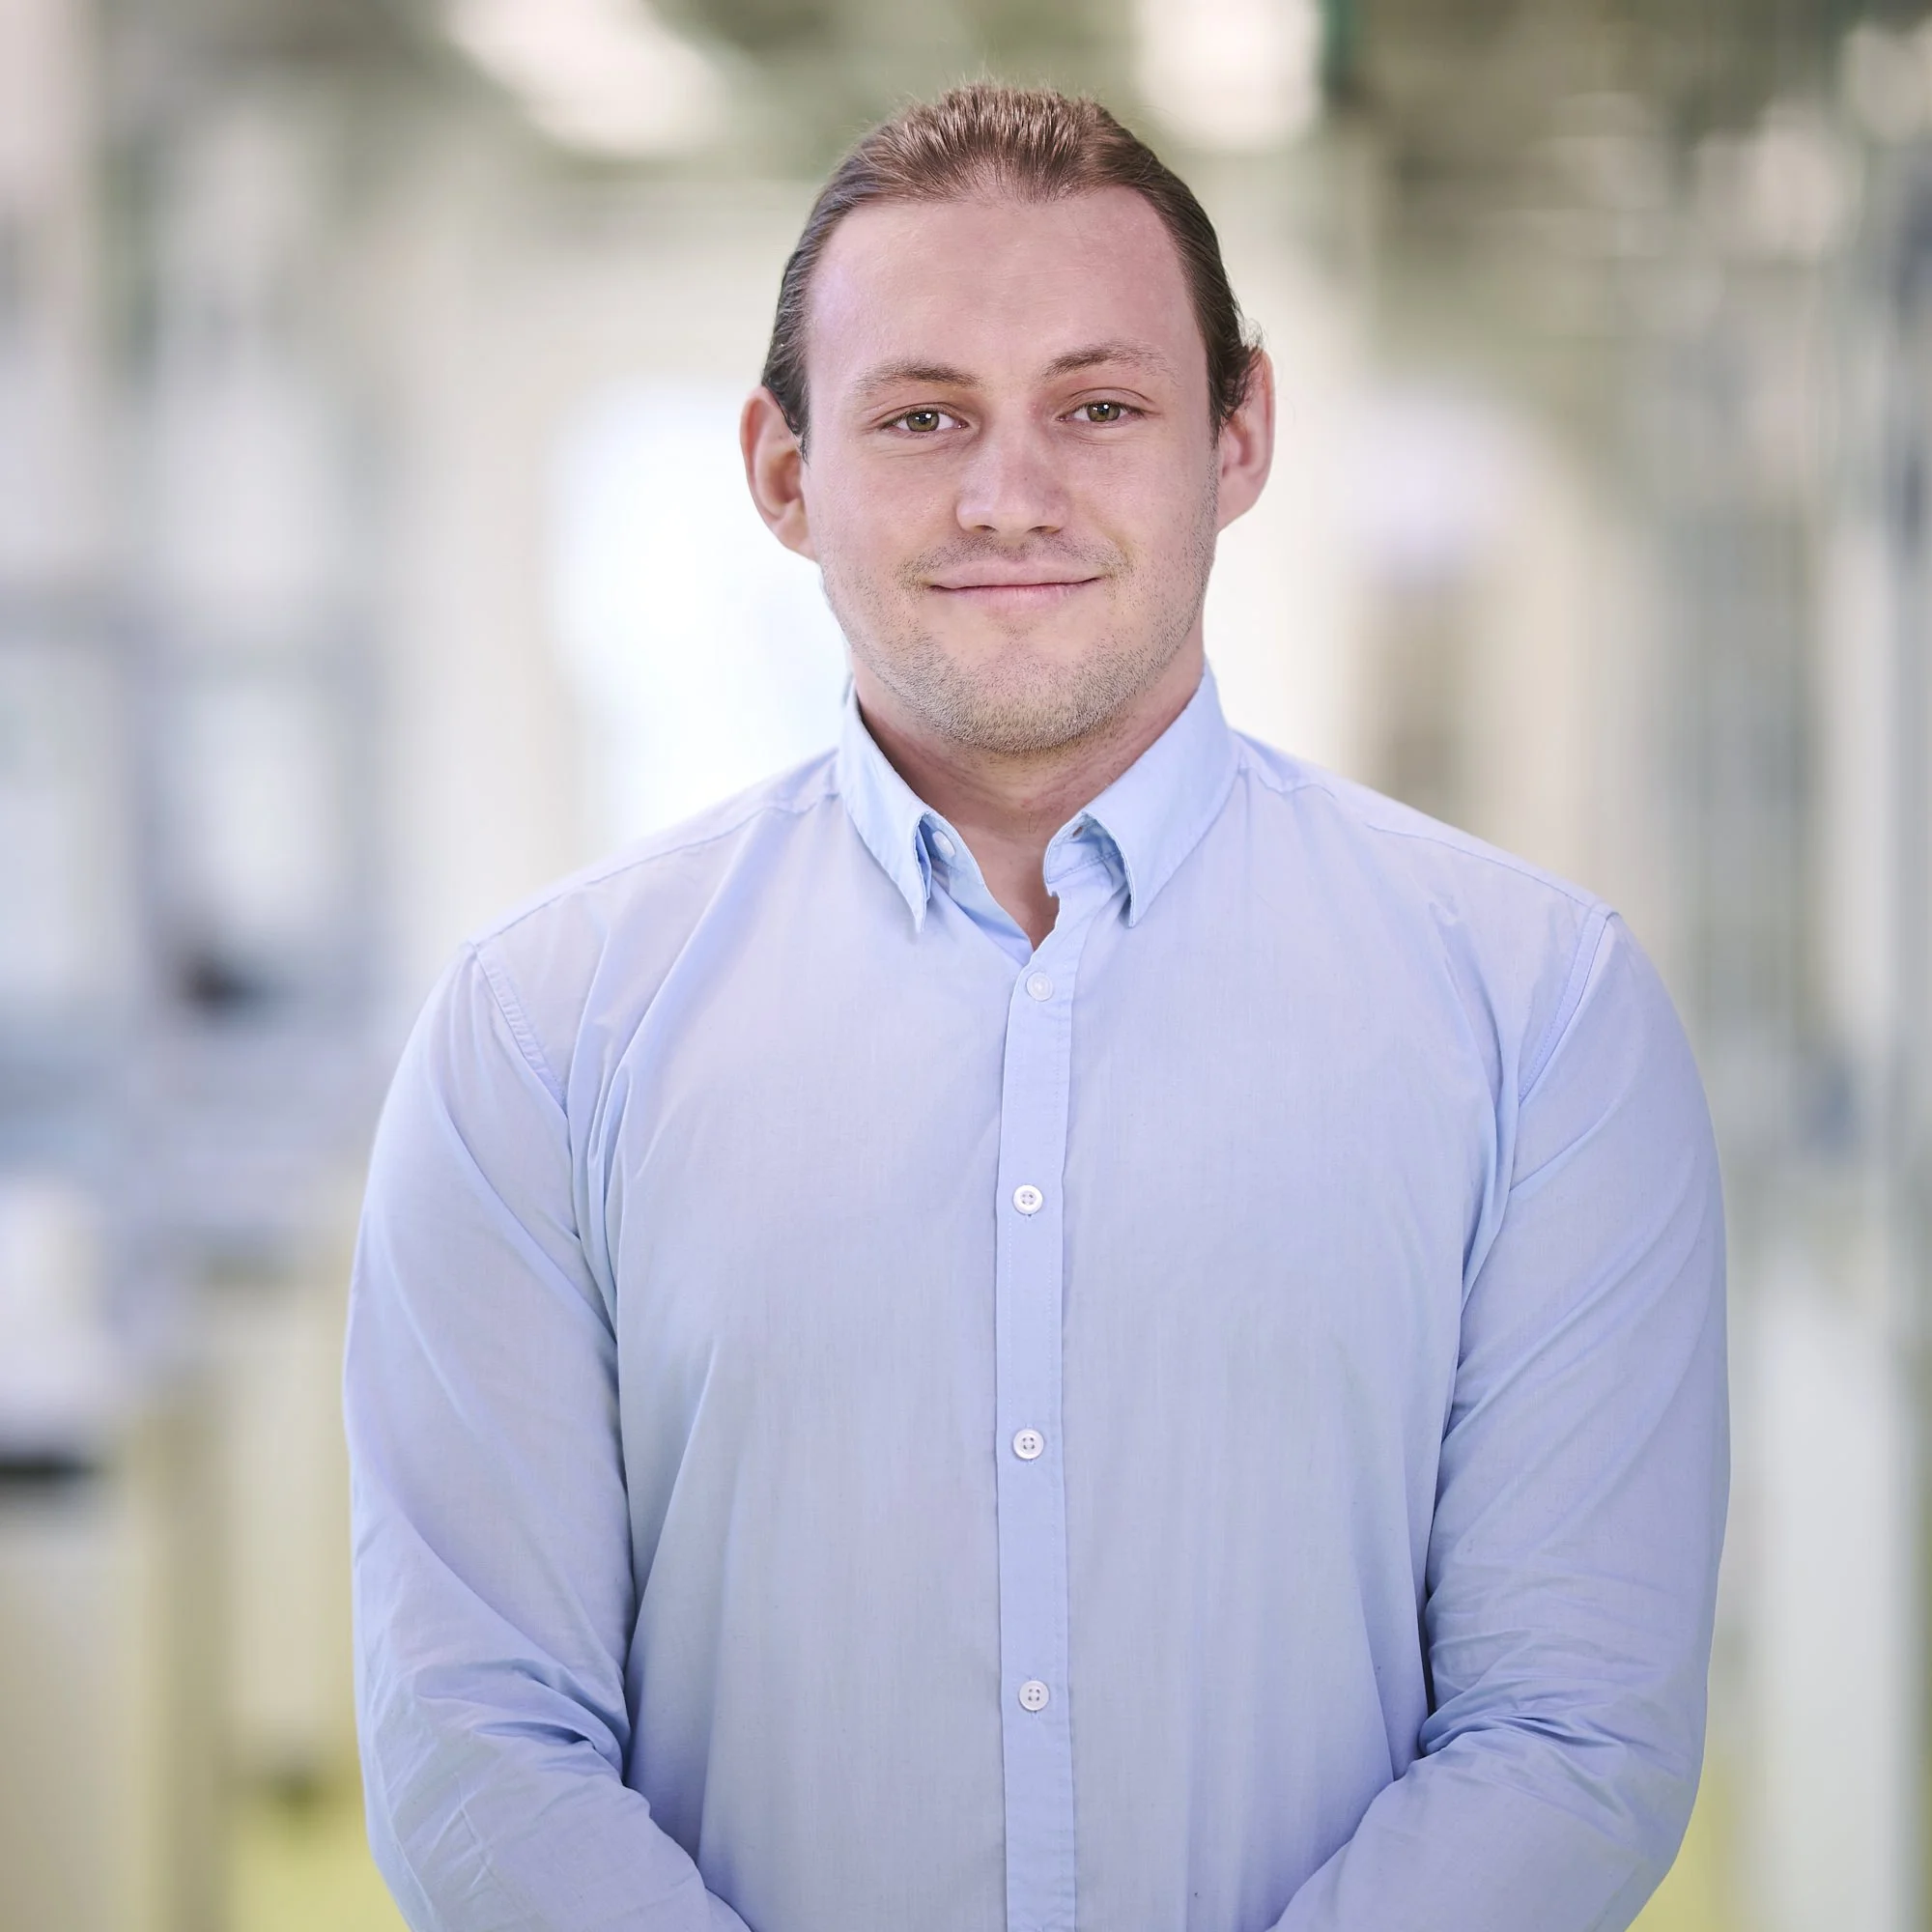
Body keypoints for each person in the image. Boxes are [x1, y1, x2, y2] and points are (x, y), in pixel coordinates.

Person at [345, 83, 1727, 1932]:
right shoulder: (537, 1038)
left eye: (1100, 406)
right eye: (922, 416)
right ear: (781, 470)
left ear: (1237, 438)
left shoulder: (1538, 1018)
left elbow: (1572, 1732)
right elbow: (475, 1746)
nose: (1011, 494)